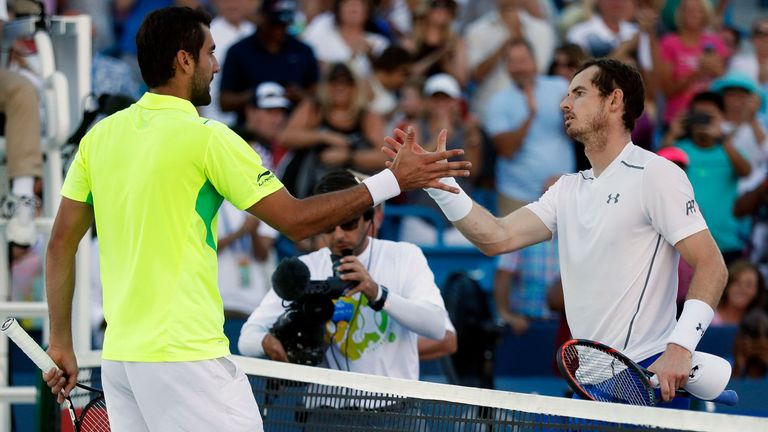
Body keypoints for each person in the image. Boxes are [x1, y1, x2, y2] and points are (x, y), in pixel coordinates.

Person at [42, 6, 470, 432]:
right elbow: (297, 221)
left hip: (122, 362)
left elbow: (61, 242)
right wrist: (391, 180)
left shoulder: (100, 137)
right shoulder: (208, 138)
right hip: (183, 355)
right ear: (184, 59)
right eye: (209, 52)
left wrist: (60, 340)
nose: (216, 64)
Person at [384, 58, 728, 406]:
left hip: (648, 378)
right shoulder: (566, 188)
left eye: (579, 93)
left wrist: (680, 347)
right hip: (589, 386)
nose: (564, 104)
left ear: (614, 101)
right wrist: (439, 184)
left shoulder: (655, 173)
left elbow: (712, 265)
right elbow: (497, 237)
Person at [239, 170, 449, 428]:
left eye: (348, 223)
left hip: (397, 411)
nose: (338, 235)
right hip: (326, 412)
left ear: (368, 217)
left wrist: (377, 293)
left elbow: (438, 326)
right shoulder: (304, 267)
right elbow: (246, 337)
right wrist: (267, 342)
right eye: (327, 226)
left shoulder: (405, 256)